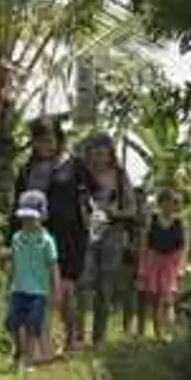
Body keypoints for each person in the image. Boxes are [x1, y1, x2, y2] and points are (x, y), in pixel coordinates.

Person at [14, 117, 87, 355]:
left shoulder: (74, 165)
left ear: (58, 139)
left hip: (70, 237)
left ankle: (72, 335)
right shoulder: (26, 170)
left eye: (48, 140)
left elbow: (95, 192)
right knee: (36, 291)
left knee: (65, 289)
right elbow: (18, 205)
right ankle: (37, 344)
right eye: (38, 141)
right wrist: (10, 240)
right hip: (36, 237)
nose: (44, 146)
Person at [77, 132, 140, 347]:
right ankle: (76, 336)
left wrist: (115, 213)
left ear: (110, 153)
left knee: (105, 286)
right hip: (86, 233)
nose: (98, 156)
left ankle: (99, 337)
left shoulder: (121, 177)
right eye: (94, 152)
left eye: (102, 152)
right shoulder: (81, 175)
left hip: (113, 234)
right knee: (82, 282)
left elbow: (132, 209)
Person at [5, 196, 59, 371]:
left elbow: (53, 268)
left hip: (38, 292)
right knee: (11, 323)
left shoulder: (47, 240)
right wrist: (8, 283)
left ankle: (29, 360)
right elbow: (13, 263)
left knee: (32, 326)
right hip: (18, 289)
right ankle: (19, 351)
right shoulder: (16, 238)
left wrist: (56, 292)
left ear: (42, 216)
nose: (27, 221)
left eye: (31, 218)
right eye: (24, 217)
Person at [137, 188, 189, 339]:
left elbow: (184, 247)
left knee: (167, 298)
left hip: (172, 263)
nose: (169, 206)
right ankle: (158, 332)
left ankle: (168, 331)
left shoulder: (180, 222)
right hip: (154, 261)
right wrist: (142, 268)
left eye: (172, 203)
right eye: (165, 202)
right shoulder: (152, 220)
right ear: (160, 203)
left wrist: (181, 268)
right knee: (155, 299)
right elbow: (144, 244)